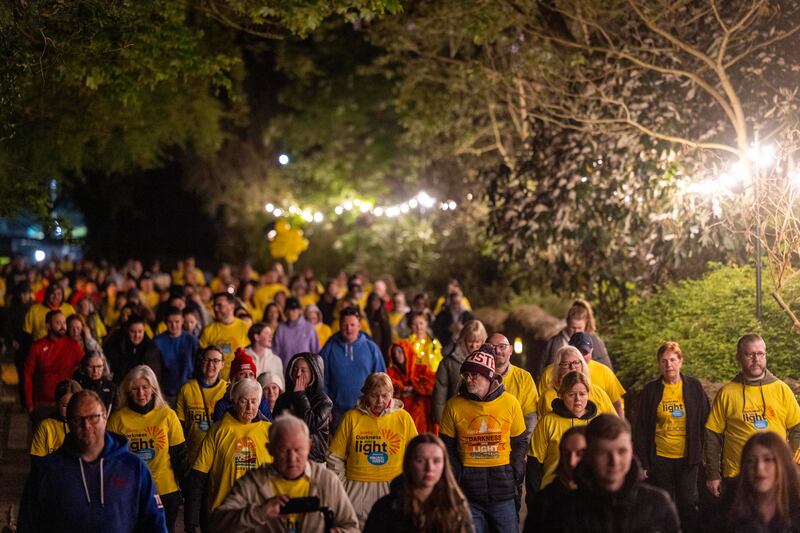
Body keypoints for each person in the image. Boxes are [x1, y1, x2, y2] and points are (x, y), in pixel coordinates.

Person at [19, 390, 168, 532]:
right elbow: (28, 525)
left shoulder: (134, 467)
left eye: (93, 417)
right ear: (69, 423)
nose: (87, 425)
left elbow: (154, 522)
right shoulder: (47, 471)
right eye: (78, 419)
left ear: (105, 417)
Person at [210, 413, 359, 532]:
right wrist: (259, 512)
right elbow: (217, 524)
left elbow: (351, 527)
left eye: (298, 450)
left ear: (309, 446)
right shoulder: (254, 482)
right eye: (284, 450)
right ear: (270, 449)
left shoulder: (327, 481)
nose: (292, 458)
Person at [439, 346, 526, 533]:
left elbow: (520, 442)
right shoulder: (453, 406)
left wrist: (515, 470)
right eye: (466, 375)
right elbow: (446, 447)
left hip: (503, 491)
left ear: (488, 376)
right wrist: (457, 474)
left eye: (473, 374)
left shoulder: (510, 403)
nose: (468, 378)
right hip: (468, 494)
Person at [547, 415, 680, 533]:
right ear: (589, 455)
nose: (614, 461)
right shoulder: (563, 511)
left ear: (631, 450)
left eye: (622, 451)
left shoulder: (658, 504)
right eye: (603, 453)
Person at [705, 333, 800, 498]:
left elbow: (797, 427)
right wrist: (713, 474)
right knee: (740, 523)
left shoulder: (781, 389)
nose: (756, 359)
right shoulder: (727, 393)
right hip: (737, 475)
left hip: (776, 475)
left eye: (760, 354)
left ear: (765, 355)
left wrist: (790, 462)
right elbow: (712, 435)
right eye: (750, 354)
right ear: (739, 357)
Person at [632, 341, 710, 532]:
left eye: (673, 360)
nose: (669, 365)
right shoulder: (651, 391)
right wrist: (643, 462)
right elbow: (640, 428)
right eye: (664, 361)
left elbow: (707, 421)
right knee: (664, 503)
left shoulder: (694, 387)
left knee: (687, 503)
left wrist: (706, 454)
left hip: (688, 457)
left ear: (681, 362)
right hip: (660, 458)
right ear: (659, 363)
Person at [328, 372, 418, 527]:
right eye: (374, 395)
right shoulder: (351, 418)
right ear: (365, 394)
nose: (379, 401)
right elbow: (334, 456)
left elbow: (416, 455)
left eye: (384, 395)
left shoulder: (403, 418)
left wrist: (407, 485)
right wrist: (343, 485)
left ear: (391, 394)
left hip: (392, 487)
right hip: (357, 487)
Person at [184, 379, 273, 533]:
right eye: (243, 401)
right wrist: (192, 521)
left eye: (253, 401)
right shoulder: (218, 430)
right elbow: (198, 477)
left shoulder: (270, 432)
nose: (249, 407)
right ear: (234, 401)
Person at [108, 365, 188, 533]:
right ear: (128, 391)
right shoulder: (117, 419)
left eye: (145, 388)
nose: (141, 393)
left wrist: (187, 492)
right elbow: (112, 462)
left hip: (166, 491)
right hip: (131, 492)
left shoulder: (168, 415)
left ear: (153, 388)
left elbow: (180, 457)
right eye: (135, 389)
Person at [364, 433, 475, 533]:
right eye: (420, 460)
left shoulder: (456, 505)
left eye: (436, 461)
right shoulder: (386, 508)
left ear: (444, 465)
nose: (429, 468)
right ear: (408, 463)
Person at [714, 432, 800, 532]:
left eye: (768, 460)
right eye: (751, 460)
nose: (759, 467)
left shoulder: (796, 508)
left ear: (782, 463)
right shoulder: (726, 511)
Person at [529, 372, 598, 495]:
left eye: (582, 394)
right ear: (561, 395)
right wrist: (534, 499)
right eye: (571, 394)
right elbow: (534, 464)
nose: (578, 399)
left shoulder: (597, 423)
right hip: (553, 493)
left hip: (589, 493)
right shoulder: (548, 421)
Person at [320, 306, 386, 428]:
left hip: (366, 410)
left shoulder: (371, 348)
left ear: (359, 326)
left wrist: (381, 405)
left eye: (352, 325)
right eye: (345, 325)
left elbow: (382, 380)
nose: (348, 328)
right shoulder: (328, 349)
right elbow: (322, 381)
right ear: (339, 326)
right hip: (337, 412)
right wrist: (325, 408)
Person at [540, 332, 625, 417]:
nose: (572, 367)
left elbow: (613, 422)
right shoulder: (547, 396)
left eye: (576, 362)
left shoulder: (598, 393)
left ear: (582, 365)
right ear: (558, 367)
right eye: (566, 363)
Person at [24, 310, 84, 426]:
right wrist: (29, 404)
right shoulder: (37, 347)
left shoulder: (74, 346)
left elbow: (85, 369)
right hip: (42, 405)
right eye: (58, 323)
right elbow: (27, 375)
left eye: (64, 322)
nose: (63, 326)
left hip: (67, 405)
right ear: (48, 325)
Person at [272, 352, 333, 464]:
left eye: (303, 370)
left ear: (313, 373)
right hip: (286, 458)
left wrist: (300, 395)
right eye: (295, 369)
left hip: (313, 461)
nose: (298, 374)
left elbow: (309, 425)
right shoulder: (283, 398)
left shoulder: (324, 402)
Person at [523, 427, 586, 533]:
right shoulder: (545, 500)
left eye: (579, 454)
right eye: (566, 454)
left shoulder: (602, 497)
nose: (572, 461)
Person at [175, 346, 228, 465]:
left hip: (218, 456)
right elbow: (179, 426)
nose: (211, 364)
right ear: (201, 362)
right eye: (207, 360)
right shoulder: (187, 389)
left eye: (215, 361)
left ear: (222, 365)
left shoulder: (227, 390)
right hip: (192, 455)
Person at [537, 299, 613, 380]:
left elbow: (608, 370)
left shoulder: (595, 342)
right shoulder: (553, 343)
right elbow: (542, 370)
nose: (576, 331)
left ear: (586, 324)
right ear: (567, 323)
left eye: (579, 328)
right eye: (573, 328)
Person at [433, 320, 487, 424]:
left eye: (478, 342)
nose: (474, 345)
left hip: (482, 417)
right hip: (455, 417)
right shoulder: (448, 362)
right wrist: (441, 421)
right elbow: (440, 393)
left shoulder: (489, 362)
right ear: (463, 340)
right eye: (470, 341)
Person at [488, 332, 538, 443]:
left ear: (510, 350)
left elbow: (531, 418)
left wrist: (524, 447)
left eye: (502, 346)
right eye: (492, 347)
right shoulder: (477, 377)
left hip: (515, 445)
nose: (497, 351)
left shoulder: (524, 378)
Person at [387, 340, 436, 433]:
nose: (397, 355)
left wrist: (415, 385)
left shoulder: (423, 369)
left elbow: (433, 385)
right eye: (394, 353)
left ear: (407, 352)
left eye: (400, 352)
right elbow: (387, 385)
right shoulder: (390, 372)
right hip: (400, 416)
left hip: (421, 416)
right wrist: (402, 388)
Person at [199, 292, 251, 380]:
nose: (215, 308)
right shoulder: (208, 330)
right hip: (215, 382)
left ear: (231, 306)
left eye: (219, 305)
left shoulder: (245, 327)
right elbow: (202, 359)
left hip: (239, 382)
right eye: (214, 305)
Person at [153, 306, 199, 404]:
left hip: (189, 390)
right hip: (166, 392)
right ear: (165, 322)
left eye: (177, 322)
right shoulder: (158, 342)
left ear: (182, 321)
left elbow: (197, 365)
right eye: (170, 322)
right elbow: (156, 370)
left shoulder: (192, 340)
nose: (174, 326)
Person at [212, 349, 272, 422]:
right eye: (242, 374)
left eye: (251, 374)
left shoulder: (262, 402)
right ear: (234, 378)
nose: (247, 377)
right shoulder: (222, 405)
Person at [103, 314, 163, 385]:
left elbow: (154, 373)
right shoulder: (117, 345)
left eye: (140, 331)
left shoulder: (151, 348)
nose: (137, 335)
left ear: (144, 330)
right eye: (133, 331)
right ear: (127, 330)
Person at [30, 379, 82, 459]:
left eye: (74, 405)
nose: (69, 410)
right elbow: (37, 461)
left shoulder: (85, 425)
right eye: (65, 405)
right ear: (57, 403)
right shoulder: (46, 427)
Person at [272, 296, 320, 367]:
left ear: (300, 310)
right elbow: (275, 352)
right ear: (285, 311)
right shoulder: (281, 328)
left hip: (306, 372)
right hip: (285, 371)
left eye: (294, 309)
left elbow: (316, 353)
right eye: (289, 309)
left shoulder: (309, 328)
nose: (291, 312)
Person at [365, 292, 393, 359]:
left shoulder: (384, 316)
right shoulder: (365, 315)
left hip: (381, 350)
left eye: (377, 301)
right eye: (373, 301)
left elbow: (387, 338)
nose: (375, 303)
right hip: (367, 349)